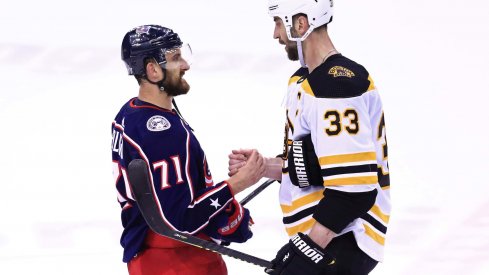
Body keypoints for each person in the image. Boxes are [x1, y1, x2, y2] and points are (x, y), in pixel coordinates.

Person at [228, 1, 391, 274]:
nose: (276, 34)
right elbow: (317, 165)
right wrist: (264, 167)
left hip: (343, 239)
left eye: (279, 23)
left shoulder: (336, 86)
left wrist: (307, 250)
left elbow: (354, 190)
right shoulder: (305, 80)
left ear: (300, 24)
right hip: (327, 238)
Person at [112, 24, 265, 275]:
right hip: (179, 262)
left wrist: (227, 211)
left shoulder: (129, 113)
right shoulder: (161, 133)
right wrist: (238, 183)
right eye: (175, 58)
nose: (185, 65)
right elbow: (181, 220)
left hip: (149, 258)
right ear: (152, 70)